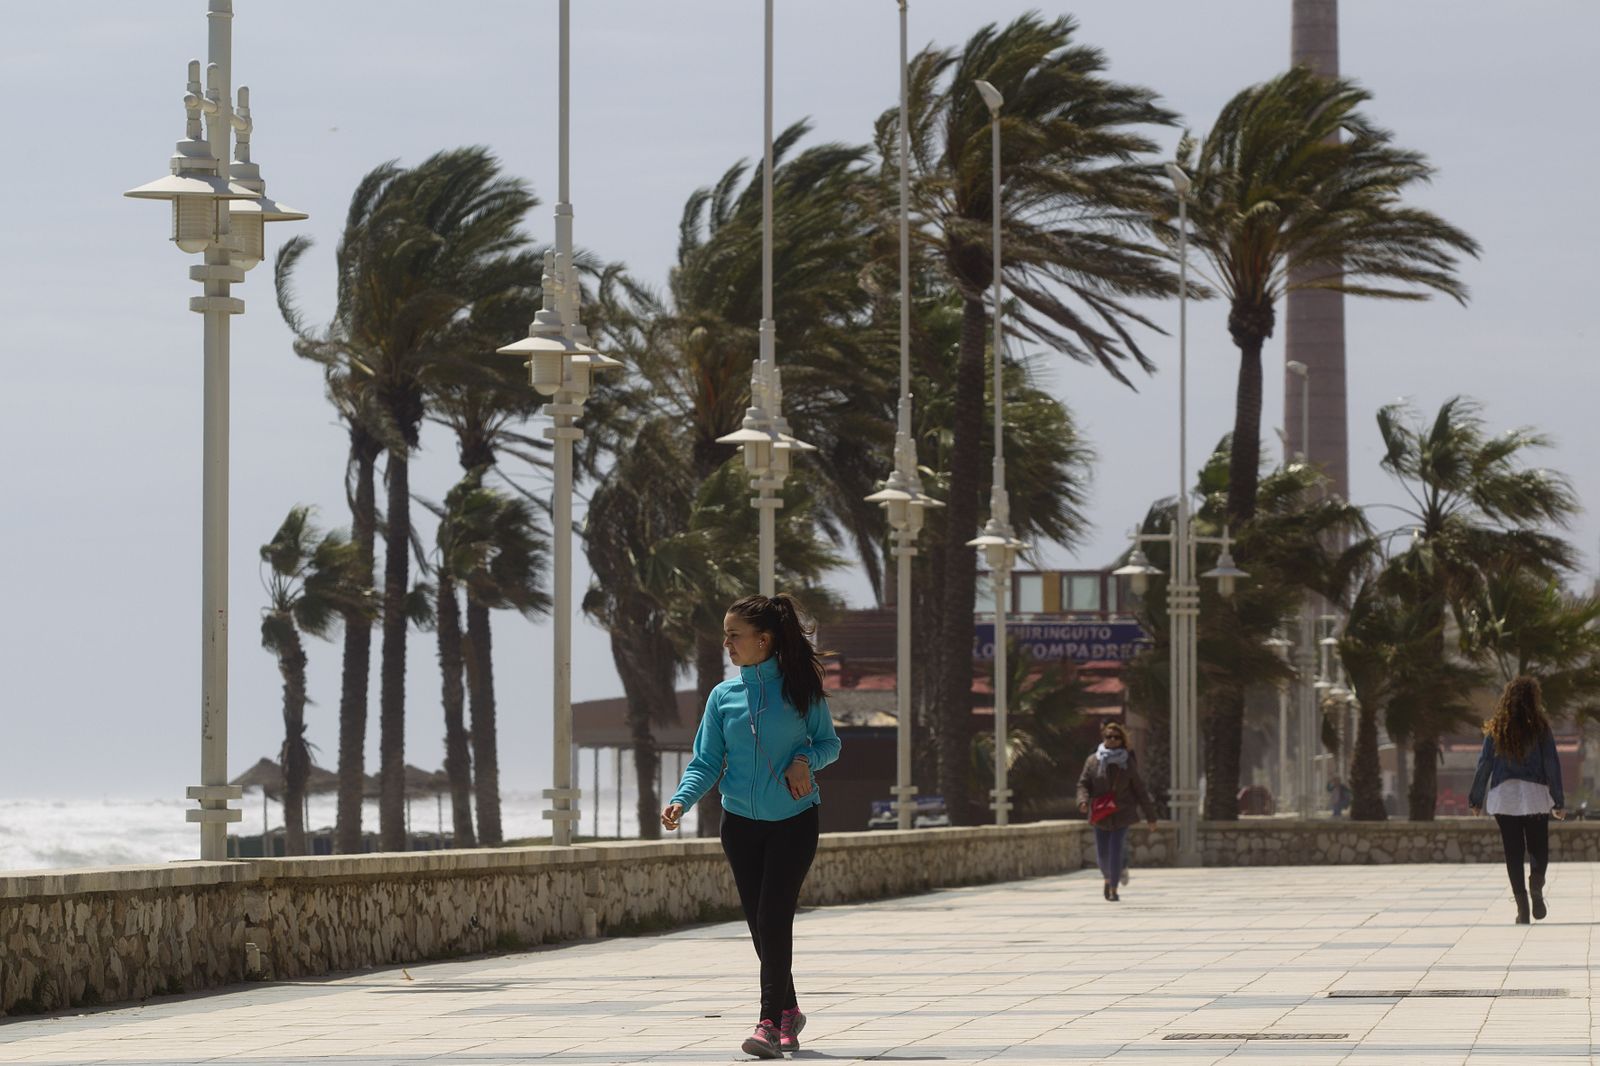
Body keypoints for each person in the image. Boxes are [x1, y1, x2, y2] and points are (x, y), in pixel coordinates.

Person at [662, 593, 841, 1060]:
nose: (727, 643)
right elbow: (707, 761)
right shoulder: (724, 697)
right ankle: (790, 1011)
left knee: (773, 916)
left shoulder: (802, 690)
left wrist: (805, 760)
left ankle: (767, 1023)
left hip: (795, 820)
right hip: (739, 824)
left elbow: (830, 744)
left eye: (734, 635)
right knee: (760, 926)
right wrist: (681, 800)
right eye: (726, 635)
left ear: (763, 640)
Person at [1469, 675, 1566, 924]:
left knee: (1512, 852)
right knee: (1538, 846)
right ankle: (1536, 881)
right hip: (1534, 794)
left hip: (1505, 795)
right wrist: (1558, 799)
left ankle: (1522, 909)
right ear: (1533, 699)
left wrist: (1476, 799)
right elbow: (1551, 764)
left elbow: (1484, 764)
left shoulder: (1496, 728)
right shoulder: (1540, 728)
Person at [1076, 721, 1157, 901]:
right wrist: (1082, 801)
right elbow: (1083, 784)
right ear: (1103, 738)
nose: (1112, 740)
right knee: (1102, 853)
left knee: (1115, 848)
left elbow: (1139, 789)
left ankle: (1113, 888)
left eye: (1116, 737)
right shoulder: (1092, 761)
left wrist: (1151, 817)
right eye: (1108, 737)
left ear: (1122, 740)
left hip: (1122, 812)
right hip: (1100, 813)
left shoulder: (1127, 762)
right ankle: (1108, 877)